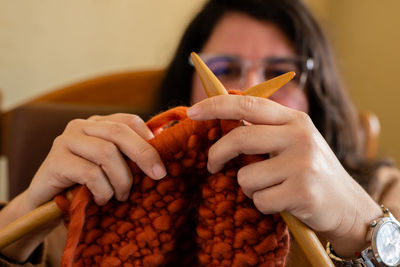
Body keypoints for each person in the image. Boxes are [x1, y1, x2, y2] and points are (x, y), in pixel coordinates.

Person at [1, 0, 399, 266]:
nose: (244, 92)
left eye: (282, 71)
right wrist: (26, 212)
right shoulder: (112, 188)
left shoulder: (382, 190)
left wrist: (360, 223)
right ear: (186, 86)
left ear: (317, 95)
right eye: (224, 68)